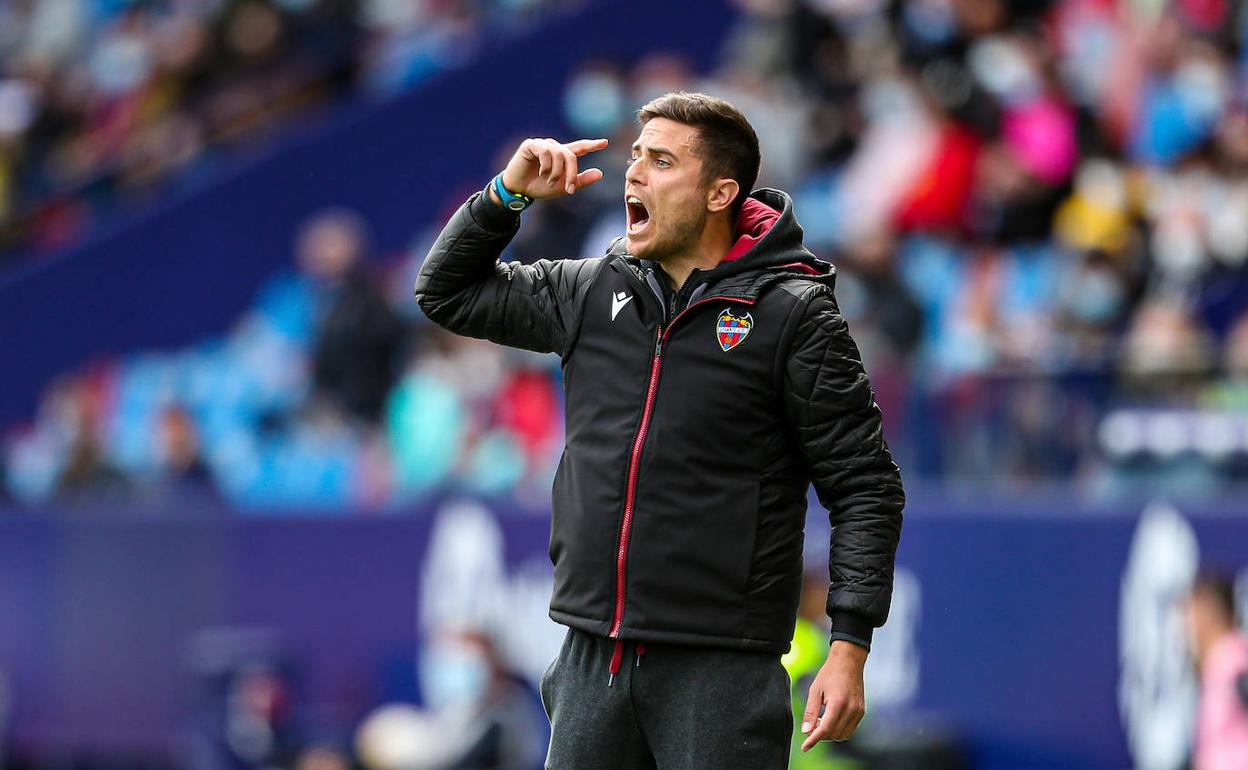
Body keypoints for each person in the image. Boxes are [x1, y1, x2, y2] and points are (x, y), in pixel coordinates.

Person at [415, 91, 904, 769]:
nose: (634, 173)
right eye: (636, 157)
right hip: (593, 655)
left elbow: (865, 487)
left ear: (718, 192)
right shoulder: (589, 291)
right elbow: (445, 293)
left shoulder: (795, 317)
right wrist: (506, 197)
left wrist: (849, 646)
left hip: (721, 669)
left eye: (663, 161)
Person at [1182, 572, 1248, 770]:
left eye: (1191, 615)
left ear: (1209, 614)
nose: (1185, 627)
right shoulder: (1216, 666)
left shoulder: (1235, 663)